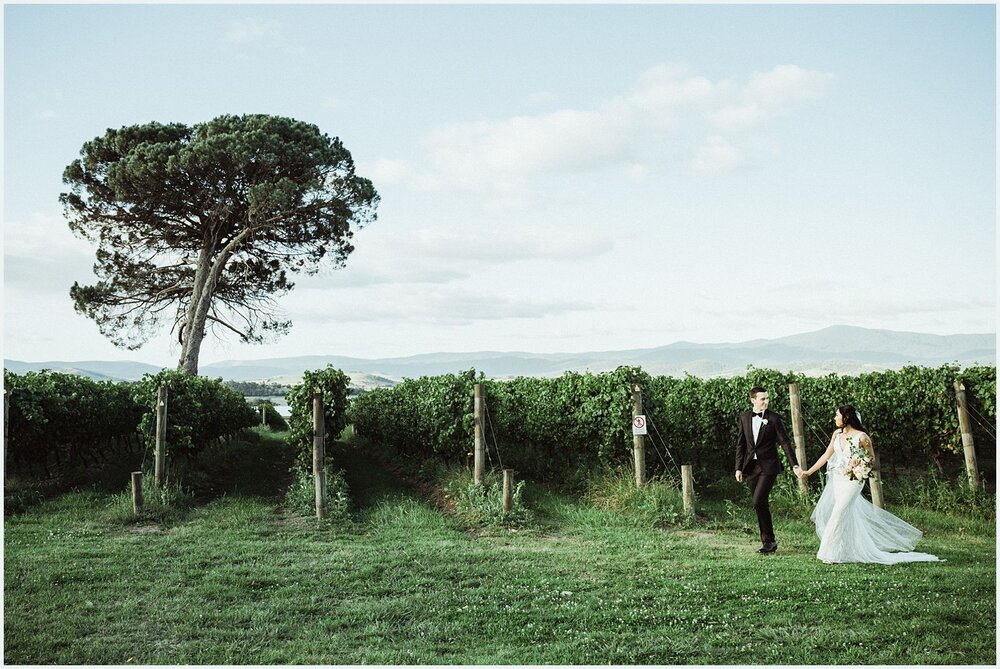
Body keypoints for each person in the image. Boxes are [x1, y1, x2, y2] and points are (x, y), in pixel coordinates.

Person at [797, 405, 942, 564]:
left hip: (854, 480)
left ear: (846, 418)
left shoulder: (862, 437)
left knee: (838, 512)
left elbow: (871, 458)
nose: (834, 418)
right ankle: (845, 551)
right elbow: (826, 455)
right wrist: (808, 472)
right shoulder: (836, 435)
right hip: (838, 479)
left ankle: (828, 553)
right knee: (846, 514)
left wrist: (859, 463)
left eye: (837, 415)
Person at [735, 386, 802, 553]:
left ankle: (769, 541)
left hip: (769, 466)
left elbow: (785, 443)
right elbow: (741, 444)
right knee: (760, 504)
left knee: (758, 501)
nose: (766, 401)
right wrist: (738, 468)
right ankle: (768, 542)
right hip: (750, 467)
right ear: (753, 400)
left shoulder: (774, 418)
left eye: (767, 398)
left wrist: (794, 464)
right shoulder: (744, 418)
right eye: (762, 399)